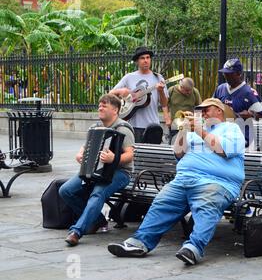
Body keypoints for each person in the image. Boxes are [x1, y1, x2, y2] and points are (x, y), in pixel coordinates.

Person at [107, 98, 245, 265]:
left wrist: (200, 130)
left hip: (217, 182)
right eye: (200, 110)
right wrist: (184, 130)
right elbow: (179, 153)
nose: (202, 113)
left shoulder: (231, 128)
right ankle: (139, 242)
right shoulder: (197, 130)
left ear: (219, 111)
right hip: (184, 179)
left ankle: (194, 247)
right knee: (162, 203)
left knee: (206, 206)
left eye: (206, 109)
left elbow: (224, 150)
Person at [60, 94, 135, 247]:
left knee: (98, 192)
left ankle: (76, 231)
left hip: (120, 173)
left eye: (104, 105)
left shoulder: (123, 128)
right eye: (99, 105)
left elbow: (130, 155)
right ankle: (98, 220)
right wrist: (80, 154)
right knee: (65, 190)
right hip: (94, 171)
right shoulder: (95, 127)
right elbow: (86, 146)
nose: (100, 108)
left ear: (115, 110)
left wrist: (113, 159)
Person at [109, 46, 170, 143]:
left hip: (153, 125)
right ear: (137, 61)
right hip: (133, 125)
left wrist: (161, 91)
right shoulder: (129, 77)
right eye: (142, 58)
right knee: (134, 155)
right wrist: (122, 92)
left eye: (148, 57)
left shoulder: (158, 78)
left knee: (151, 155)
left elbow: (164, 103)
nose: (146, 60)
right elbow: (110, 95)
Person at [212, 58, 262, 146]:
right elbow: (211, 107)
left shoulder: (249, 92)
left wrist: (250, 115)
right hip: (221, 136)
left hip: (241, 139)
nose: (225, 76)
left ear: (239, 74)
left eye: (229, 74)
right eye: (224, 73)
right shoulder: (220, 89)